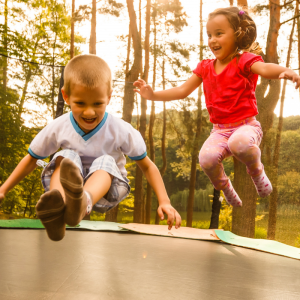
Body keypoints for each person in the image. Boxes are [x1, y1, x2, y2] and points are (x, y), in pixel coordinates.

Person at [0, 54, 181, 241]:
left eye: (97, 104)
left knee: (105, 161)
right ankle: (60, 208)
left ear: (109, 97)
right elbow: (31, 159)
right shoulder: (59, 126)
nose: (89, 112)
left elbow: (147, 166)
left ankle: (81, 202)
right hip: (70, 180)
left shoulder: (120, 130)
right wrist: (3, 189)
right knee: (66, 156)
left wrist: (164, 201)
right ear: (66, 96)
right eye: (80, 103)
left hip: (107, 188)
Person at [133, 7, 300, 207]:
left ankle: (257, 172)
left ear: (238, 35)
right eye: (210, 35)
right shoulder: (205, 67)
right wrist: (152, 95)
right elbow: (182, 90)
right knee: (206, 159)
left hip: (245, 126)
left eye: (219, 34)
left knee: (239, 143)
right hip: (219, 130)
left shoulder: (243, 61)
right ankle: (226, 188)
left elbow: (264, 68)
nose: (212, 40)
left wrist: (286, 71)